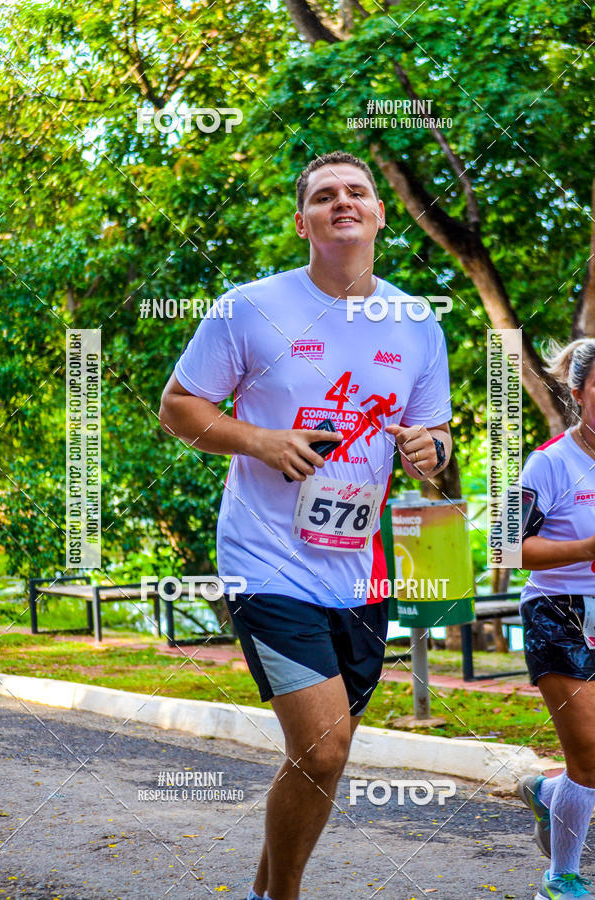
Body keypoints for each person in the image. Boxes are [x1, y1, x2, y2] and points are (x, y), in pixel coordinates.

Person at [159, 150, 452, 900]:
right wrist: (262, 441)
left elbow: (435, 434)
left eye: (357, 192)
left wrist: (432, 449)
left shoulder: (417, 321)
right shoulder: (248, 308)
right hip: (264, 558)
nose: (342, 201)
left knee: (328, 751)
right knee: (322, 746)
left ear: (380, 214)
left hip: (359, 567)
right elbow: (178, 408)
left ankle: (265, 891)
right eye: (325, 196)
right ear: (302, 222)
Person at [516, 338, 595, 899]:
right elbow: (510, 548)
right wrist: (588, 547)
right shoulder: (549, 462)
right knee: (590, 756)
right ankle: (561, 877)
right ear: (578, 393)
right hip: (557, 612)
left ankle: (548, 792)